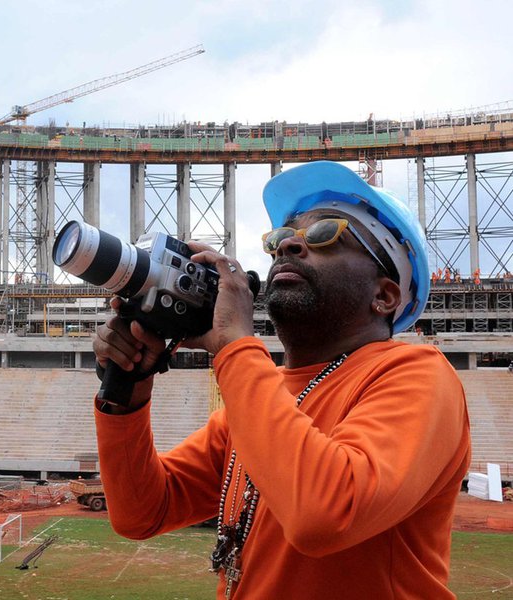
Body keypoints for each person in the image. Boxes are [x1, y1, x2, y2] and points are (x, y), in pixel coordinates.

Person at [91, 161, 470, 599]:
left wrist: (234, 345)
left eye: (326, 233)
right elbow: (141, 512)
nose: (288, 245)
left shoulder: (418, 374)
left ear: (384, 296)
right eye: (279, 238)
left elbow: (324, 514)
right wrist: (127, 391)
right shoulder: (255, 400)